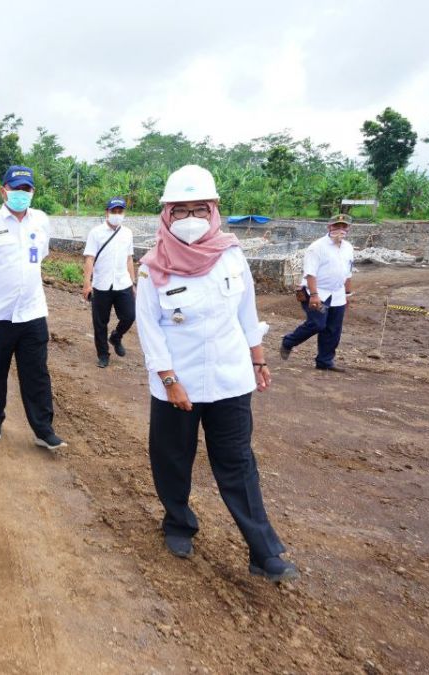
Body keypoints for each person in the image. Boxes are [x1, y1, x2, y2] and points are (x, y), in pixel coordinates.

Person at [134, 164, 297, 583]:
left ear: (214, 210)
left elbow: (247, 314)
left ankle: (263, 552)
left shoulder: (231, 255)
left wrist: (258, 360)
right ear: (166, 215)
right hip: (177, 383)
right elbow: (151, 331)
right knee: (172, 458)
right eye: (180, 210)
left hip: (229, 378)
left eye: (199, 209)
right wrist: (169, 381)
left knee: (238, 462)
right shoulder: (152, 268)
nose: (190, 219)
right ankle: (178, 523)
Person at [0, 165, 66, 450]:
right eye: (16, 189)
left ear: (32, 192)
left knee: (36, 373)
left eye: (26, 189)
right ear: (3, 190)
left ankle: (43, 429)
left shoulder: (41, 221)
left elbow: (39, 257)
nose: (21, 194)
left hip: (32, 313)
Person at [279, 214, 355, 372]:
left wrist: (347, 295)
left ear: (348, 228)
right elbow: (310, 274)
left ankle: (324, 362)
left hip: (338, 294)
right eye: (336, 226)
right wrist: (314, 295)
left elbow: (348, 273)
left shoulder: (348, 247)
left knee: (333, 329)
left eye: (343, 227)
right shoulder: (317, 247)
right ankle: (288, 342)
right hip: (316, 293)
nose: (340, 230)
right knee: (317, 324)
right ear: (329, 227)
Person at [83, 198, 136, 368]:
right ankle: (103, 355)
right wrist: (87, 284)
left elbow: (129, 259)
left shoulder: (127, 233)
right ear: (107, 212)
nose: (117, 215)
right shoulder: (96, 233)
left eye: (120, 211)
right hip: (101, 284)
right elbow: (89, 258)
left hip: (123, 282)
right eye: (114, 211)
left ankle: (116, 336)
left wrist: (133, 283)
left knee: (129, 316)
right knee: (100, 322)